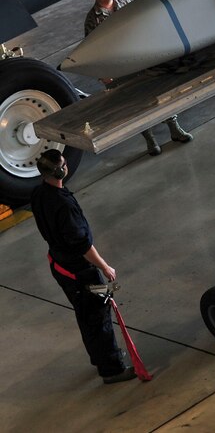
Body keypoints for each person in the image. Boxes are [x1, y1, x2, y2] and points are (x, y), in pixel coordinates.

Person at [30, 149, 136, 384]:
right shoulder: (63, 205)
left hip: (60, 266)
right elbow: (83, 245)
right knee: (98, 317)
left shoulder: (39, 194)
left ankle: (99, 358)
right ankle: (111, 370)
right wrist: (105, 267)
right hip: (81, 273)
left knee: (85, 316)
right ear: (60, 170)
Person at [85, 0, 193, 156]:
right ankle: (150, 139)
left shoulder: (127, 3)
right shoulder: (93, 19)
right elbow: (92, 50)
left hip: (143, 61)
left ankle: (175, 129)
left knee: (160, 94)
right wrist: (104, 75)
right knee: (136, 104)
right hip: (121, 68)